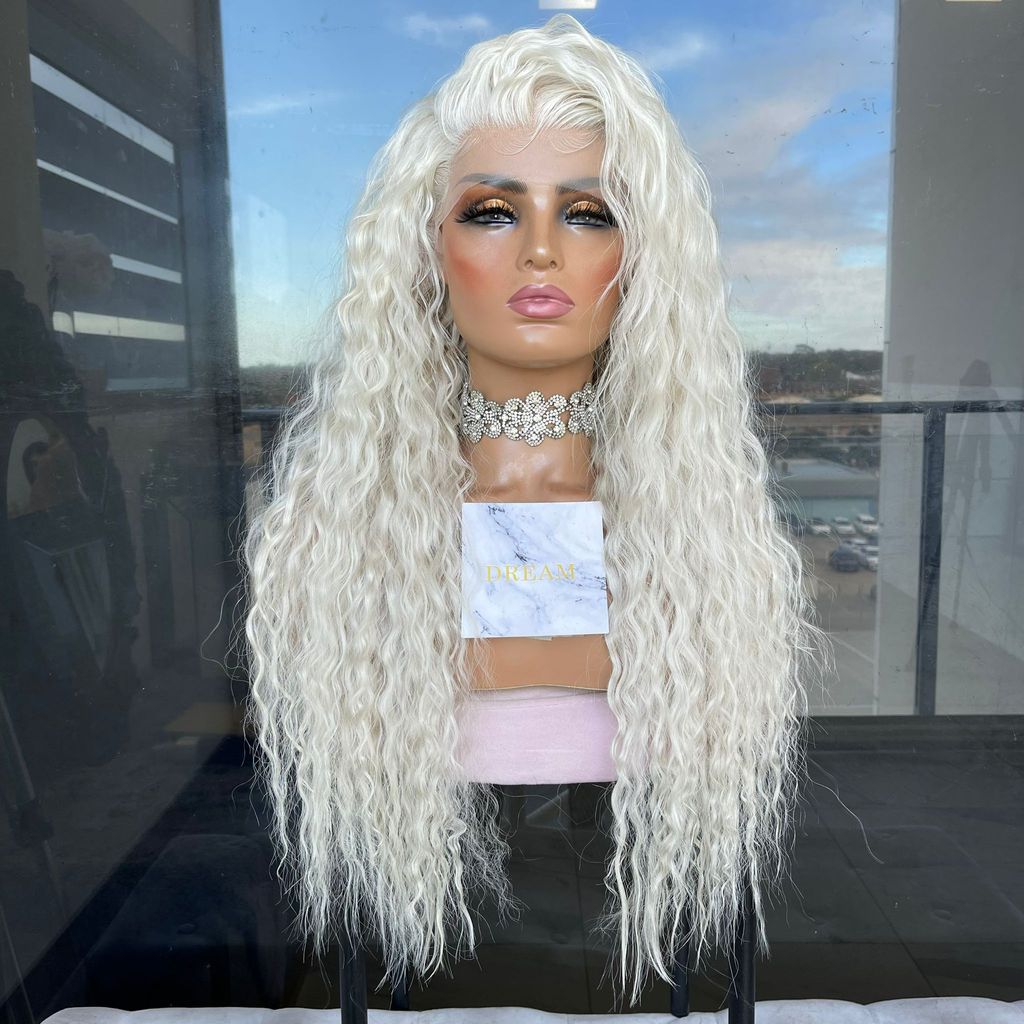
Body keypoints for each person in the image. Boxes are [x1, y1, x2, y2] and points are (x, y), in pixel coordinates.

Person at [241, 13, 831, 1007]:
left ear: (641, 257)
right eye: (492, 211)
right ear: (426, 250)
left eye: (589, 213)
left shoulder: (702, 552)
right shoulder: (340, 553)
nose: (543, 251)